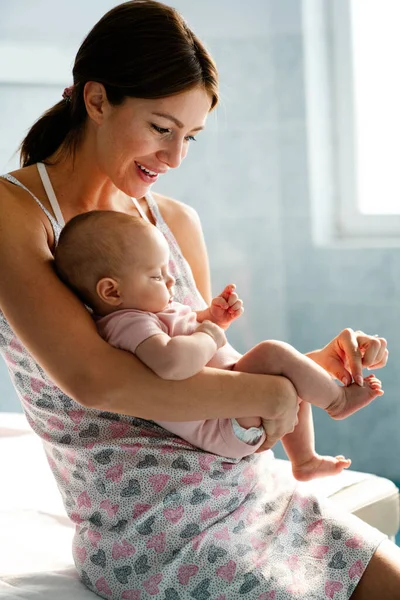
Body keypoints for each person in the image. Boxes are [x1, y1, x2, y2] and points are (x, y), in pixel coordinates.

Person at [0, 1, 398, 598]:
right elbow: (96, 381)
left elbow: (216, 375)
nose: (175, 157)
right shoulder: (14, 214)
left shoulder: (174, 222)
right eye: (162, 128)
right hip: (155, 532)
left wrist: (315, 368)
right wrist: (271, 390)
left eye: (190, 136)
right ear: (97, 99)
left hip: (249, 491)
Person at [54, 210, 383, 483]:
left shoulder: (147, 314)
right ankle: (338, 401)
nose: (170, 282)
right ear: (111, 292)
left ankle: (305, 459)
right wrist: (210, 334)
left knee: (290, 370)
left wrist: (211, 318)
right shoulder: (127, 322)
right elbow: (172, 362)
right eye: (156, 277)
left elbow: (183, 332)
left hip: (231, 408)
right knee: (273, 352)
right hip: (220, 423)